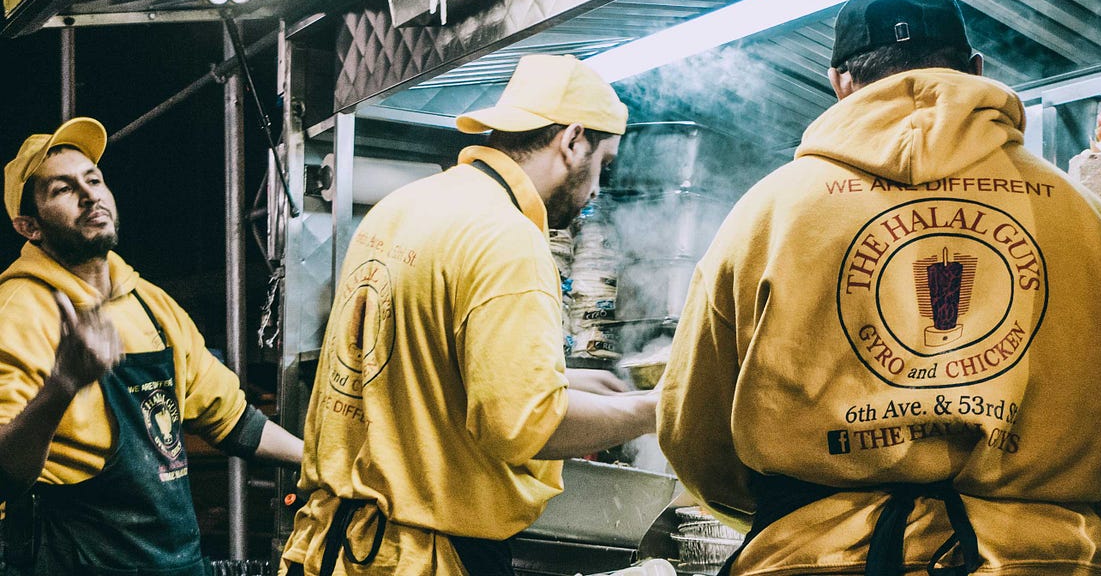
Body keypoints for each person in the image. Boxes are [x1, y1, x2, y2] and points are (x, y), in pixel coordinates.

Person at [658, 0, 1101, 576]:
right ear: (975, 70)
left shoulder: (765, 215)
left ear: (839, 81)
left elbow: (692, 433)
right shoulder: (1096, 225)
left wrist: (805, 521)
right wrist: (1060, 541)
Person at [279, 54, 658, 576]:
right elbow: (525, 428)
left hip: (330, 546)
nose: (596, 190)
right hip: (423, 557)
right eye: (604, 165)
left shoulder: (405, 205)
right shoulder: (508, 237)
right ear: (572, 141)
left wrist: (557, 380)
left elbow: (410, 359)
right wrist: (659, 408)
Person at [0, 117, 304, 575]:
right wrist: (62, 384)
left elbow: (232, 420)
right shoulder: (16, 312)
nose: (90, 196)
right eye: (62, 189)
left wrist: (319, 463)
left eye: (94, 180)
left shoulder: (151, 303)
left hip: (170, 562)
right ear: (30, 227)